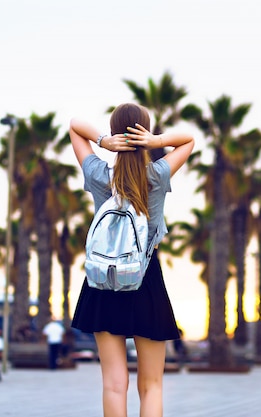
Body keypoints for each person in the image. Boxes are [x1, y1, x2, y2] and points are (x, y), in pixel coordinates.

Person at [70, 103, 194, 416]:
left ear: (114, 133)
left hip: (103, 279)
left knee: (114, 382)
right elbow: (189, 140)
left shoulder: (99, 174)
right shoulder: (157, 174)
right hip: (146, 279)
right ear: (145, 132)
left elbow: (74, 125)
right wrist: (154, 142)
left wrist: (102, 141)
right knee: (151, 384)